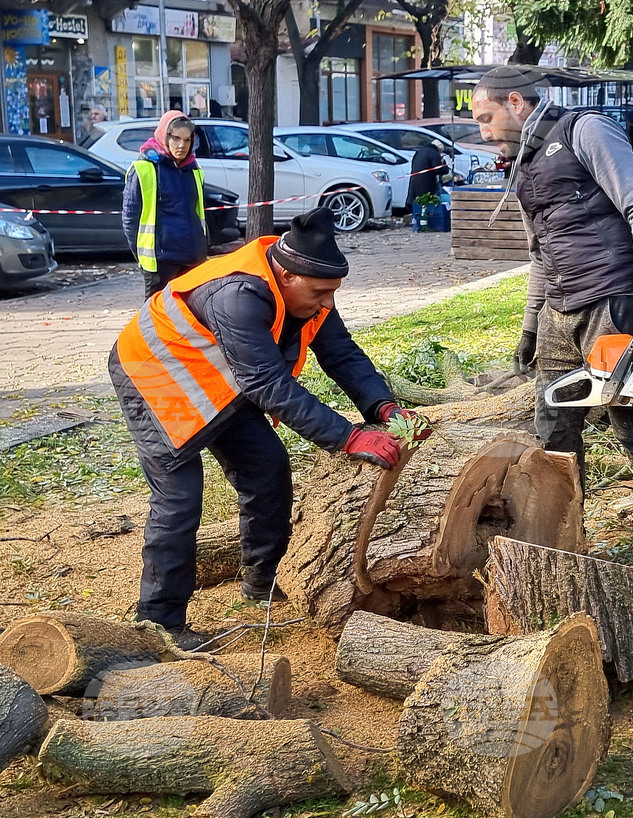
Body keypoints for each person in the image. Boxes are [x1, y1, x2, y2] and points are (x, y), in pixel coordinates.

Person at [109, 207, 427, 649]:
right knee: (179, 498)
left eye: (333, 292)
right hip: (155, 374)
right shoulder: (238, 294)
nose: (328, 303)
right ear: (285, 275)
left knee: (267, 467)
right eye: (320, 292)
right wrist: (348, 437)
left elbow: (341, 354)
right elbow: (264, 382)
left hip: (219, 377)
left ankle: (261, 581)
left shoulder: (310, 288)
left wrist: (383, 408)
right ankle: (160, 624)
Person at [470, 66, 633, 577]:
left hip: (613, 302)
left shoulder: (585, 130)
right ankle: (563, 538)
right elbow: (538, 254)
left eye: (486, 118)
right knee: (553, 428)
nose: (483, 132)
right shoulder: (522, 163)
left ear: (515, 102)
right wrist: (530, 325)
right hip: (559, 309)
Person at [122, 111, 208, 300]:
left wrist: (202, 248)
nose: (181, 145)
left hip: (193, 257)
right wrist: (142, 257)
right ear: (164, 136)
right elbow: (130, 218)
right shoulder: (144, 169)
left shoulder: (194, 170)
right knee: (156, 317)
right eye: (176, 138)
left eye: (187, 140)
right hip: (161, 260)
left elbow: (198, 214)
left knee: (191, 316)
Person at [406, 139, 451, 208]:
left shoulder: (419, 151)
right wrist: (444, 166)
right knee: (428, 203)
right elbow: (438, 169)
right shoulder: (434, 153)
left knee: (417, 203)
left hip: (415, 181)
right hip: (427, 183)